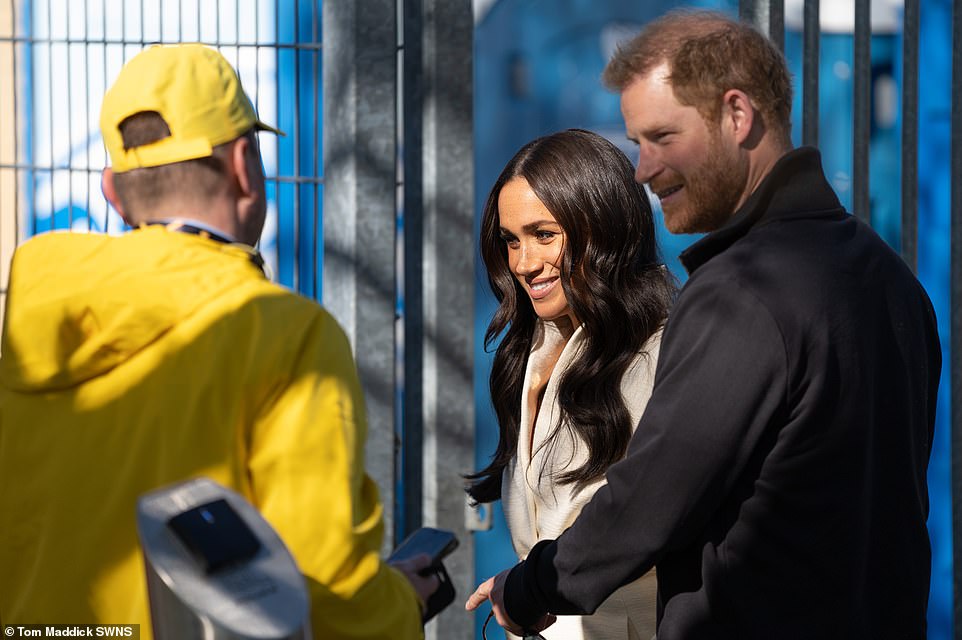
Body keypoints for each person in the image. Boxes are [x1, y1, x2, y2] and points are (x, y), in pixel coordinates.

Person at [466, 10, 941, 640]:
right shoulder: (889, 278)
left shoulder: (743, 294)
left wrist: (530, 589)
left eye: (662, 137)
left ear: (736, 116)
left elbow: (651, 499)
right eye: (637, 143)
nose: (642, 169)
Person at [0, 44, 435, 639]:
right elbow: (323, 582)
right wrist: (401, 604)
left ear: (113, 191)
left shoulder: (32, 327)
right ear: (242, 164)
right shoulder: (285, 335)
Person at [466, 129, 676, 639]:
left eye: (544, 234)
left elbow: (642, 519)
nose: (523, 262)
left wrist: (530, 587)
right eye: (510, 240)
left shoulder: (663, 350)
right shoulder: (532, 350)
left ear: (601, 227)